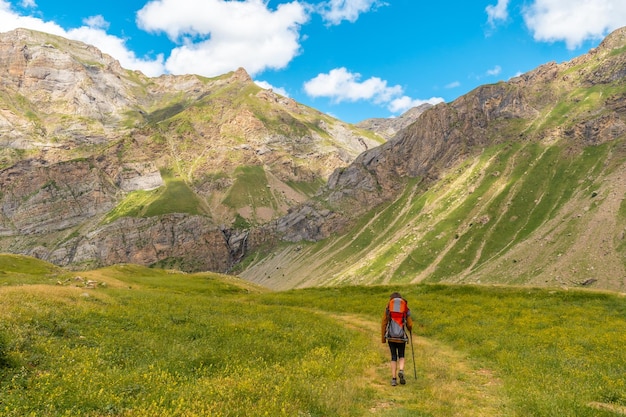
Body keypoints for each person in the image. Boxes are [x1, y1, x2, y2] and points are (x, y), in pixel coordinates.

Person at [381, 292, 413, 386]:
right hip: (401, 337)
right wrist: (409, 329)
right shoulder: (404, 307)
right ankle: (401, 370)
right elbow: (410, 324)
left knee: (393, 356)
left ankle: (394, 379)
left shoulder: (388, 308)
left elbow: (384, 322)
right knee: (401, 355)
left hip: (391, 337)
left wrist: (383, 338)